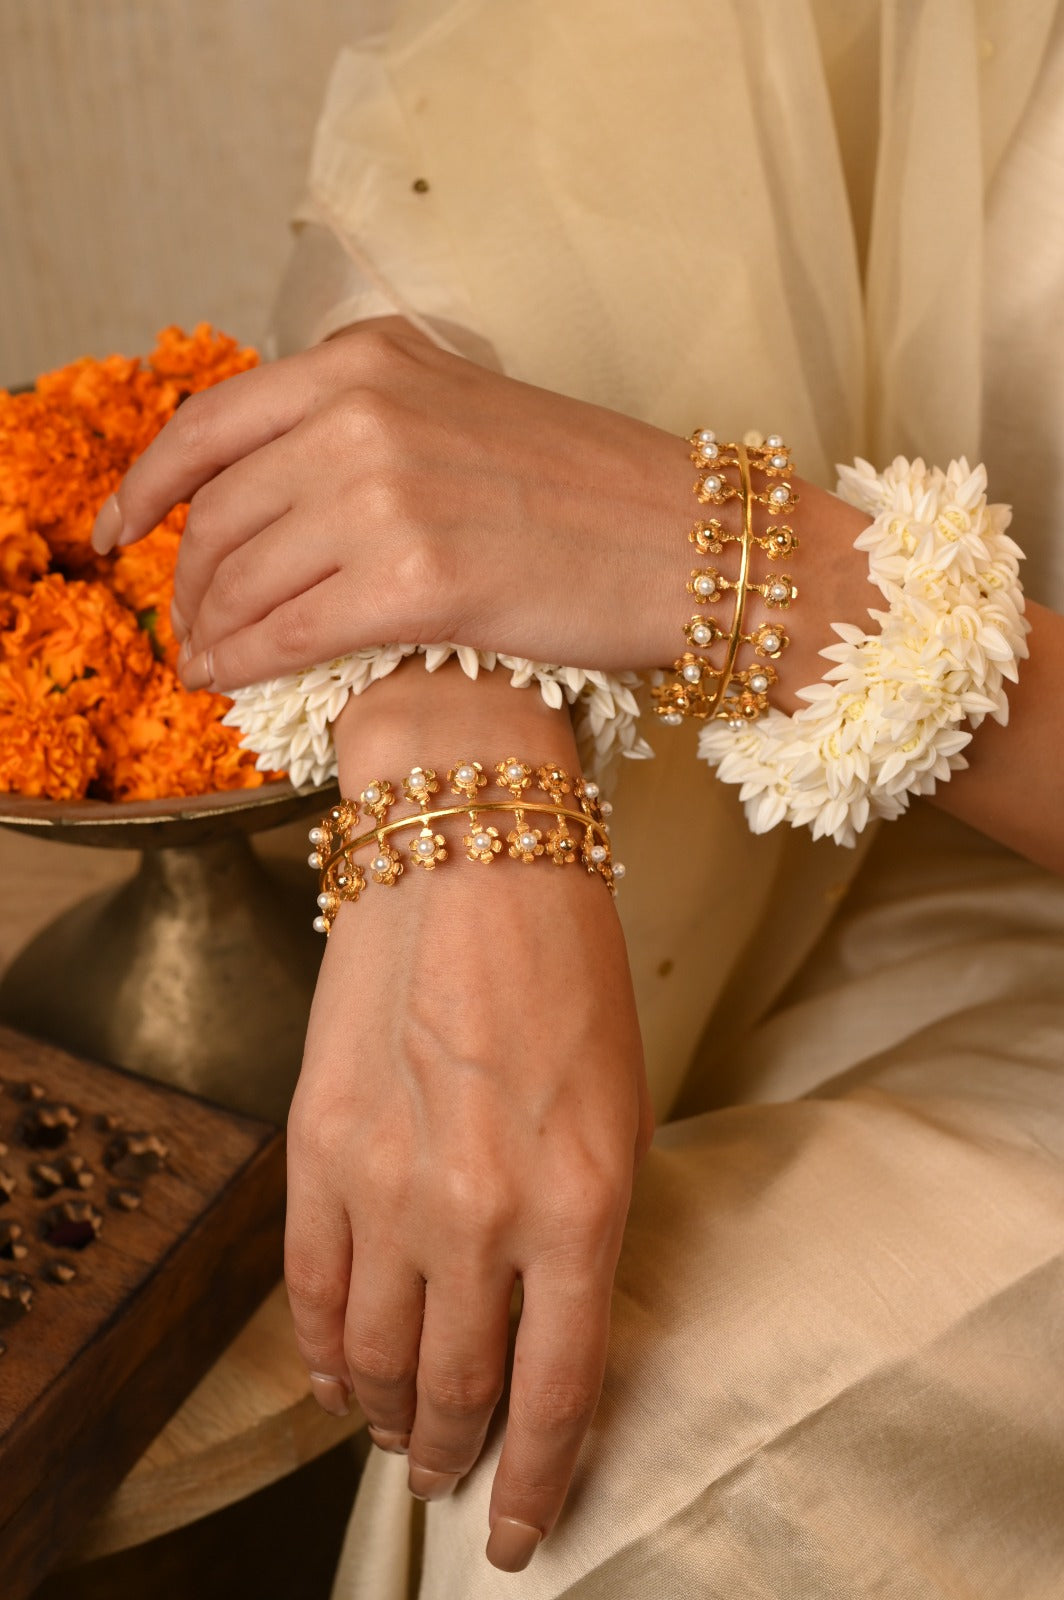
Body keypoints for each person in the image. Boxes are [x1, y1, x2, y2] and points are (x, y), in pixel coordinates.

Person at [92, 2, 1064, 1593]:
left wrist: (749, 573)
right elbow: (541, 126)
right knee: (575, 1412)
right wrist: (457, 704)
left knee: (687, 1455)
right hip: (872, 877)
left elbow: (715, 559)